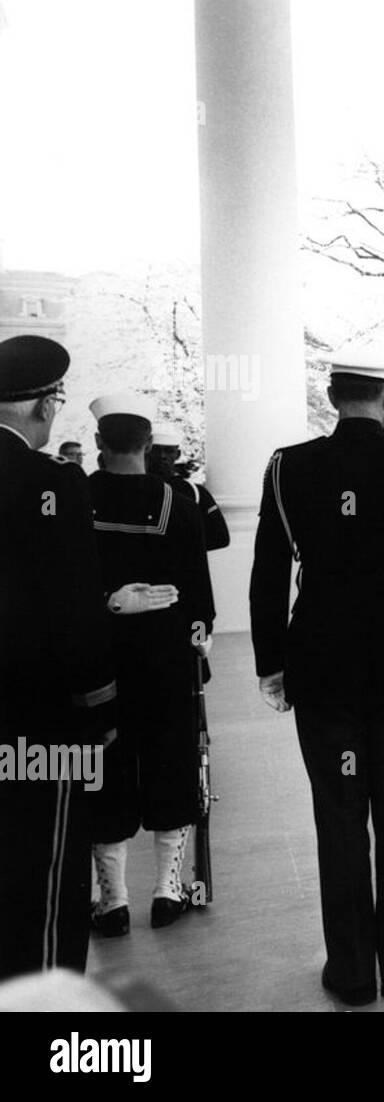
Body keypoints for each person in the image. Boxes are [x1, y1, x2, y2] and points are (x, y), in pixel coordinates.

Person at [249, 350, 384, 1006]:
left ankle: (350, 971)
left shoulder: (289, 467)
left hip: (323, 671)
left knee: (340, 816)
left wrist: (271, 663)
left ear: (331, 395)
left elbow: (268, 571)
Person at [0, 336, 117, 980]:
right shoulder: (53, 483)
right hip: (37, 720)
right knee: (44, 872)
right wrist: (99, 706)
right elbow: (74, 610)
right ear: (44, 406)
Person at [85, 392, 215, 936]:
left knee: (105, 769)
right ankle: (168, 888)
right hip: (165, 660)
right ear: (146, 443)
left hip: (99, 663)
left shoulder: (76, 499)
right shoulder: (177, 502)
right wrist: (196, 638)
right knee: (171, 760)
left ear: (97, 443)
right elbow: (200, 596)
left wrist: (107, 602)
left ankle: (112, 899)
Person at [146, 423, 230, 551]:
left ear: (177, 454)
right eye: (156, 450)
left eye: (168, 451)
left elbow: (220, 537)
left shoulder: (195, 492)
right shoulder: (132, 489)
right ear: (145, 452)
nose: (162, 456)